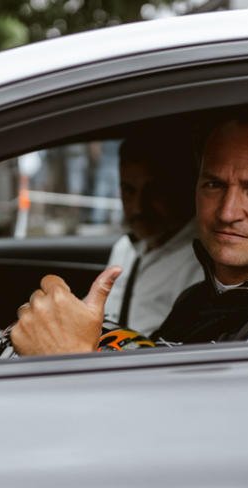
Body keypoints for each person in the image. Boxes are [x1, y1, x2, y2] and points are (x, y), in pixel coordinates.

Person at [10, 115, 248, 357]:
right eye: (214, 185)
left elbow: (225, 452)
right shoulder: (201, 300)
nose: (227, 211)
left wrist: (71, 362)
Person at [103, 134, 202, 336]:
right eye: (129, 190)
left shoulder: (201, 262)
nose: (138, 206)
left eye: (154, 190)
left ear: (183, 187)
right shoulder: (124, 248)